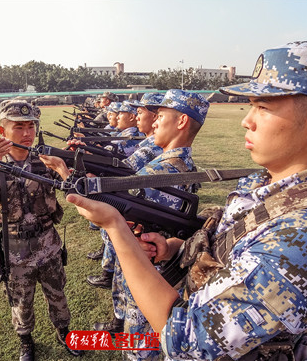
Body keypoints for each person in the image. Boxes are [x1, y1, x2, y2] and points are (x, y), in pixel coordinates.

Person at [67, 41, 307, 360]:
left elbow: (185, 339)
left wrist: (114, 226)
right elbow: (229, 250)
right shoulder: (266, 185)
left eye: (264, 106)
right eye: (250, 106)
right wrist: (178, 247)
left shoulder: (304, 237)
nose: (247, 120)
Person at [43, 89, 209, 361]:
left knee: (139, 347)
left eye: (161, 115)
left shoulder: (163, 170)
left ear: (181, 122)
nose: (154, 121)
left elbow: (111, 208)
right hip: (153, 260)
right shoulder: (173, 162)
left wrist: (64, 172)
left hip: (147, 266)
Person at [0, 100, 83, 361]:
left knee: (58, 294)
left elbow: (77, 194)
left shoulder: (45, 161)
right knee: (21, 302)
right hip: (16, 253)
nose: (27, 133)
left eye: (31, 126)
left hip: (48, 245)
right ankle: (26, 341)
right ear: (2, 131)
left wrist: (63, 170)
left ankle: (64, 332)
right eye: (19, 127)